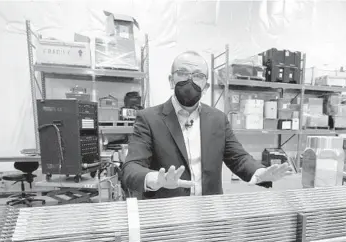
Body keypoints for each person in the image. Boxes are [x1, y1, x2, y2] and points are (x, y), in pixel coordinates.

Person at [122, 51, 289, 199]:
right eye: (182, 73)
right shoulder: (149, 119)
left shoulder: (218, 119)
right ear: (171, 80)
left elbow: (238, 157)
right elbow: (131, 168)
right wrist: (154, 179)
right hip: (168, 217)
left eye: (198, 75)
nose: (190, 80)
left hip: (209, 214)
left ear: (206, 86)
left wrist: (259, 172)